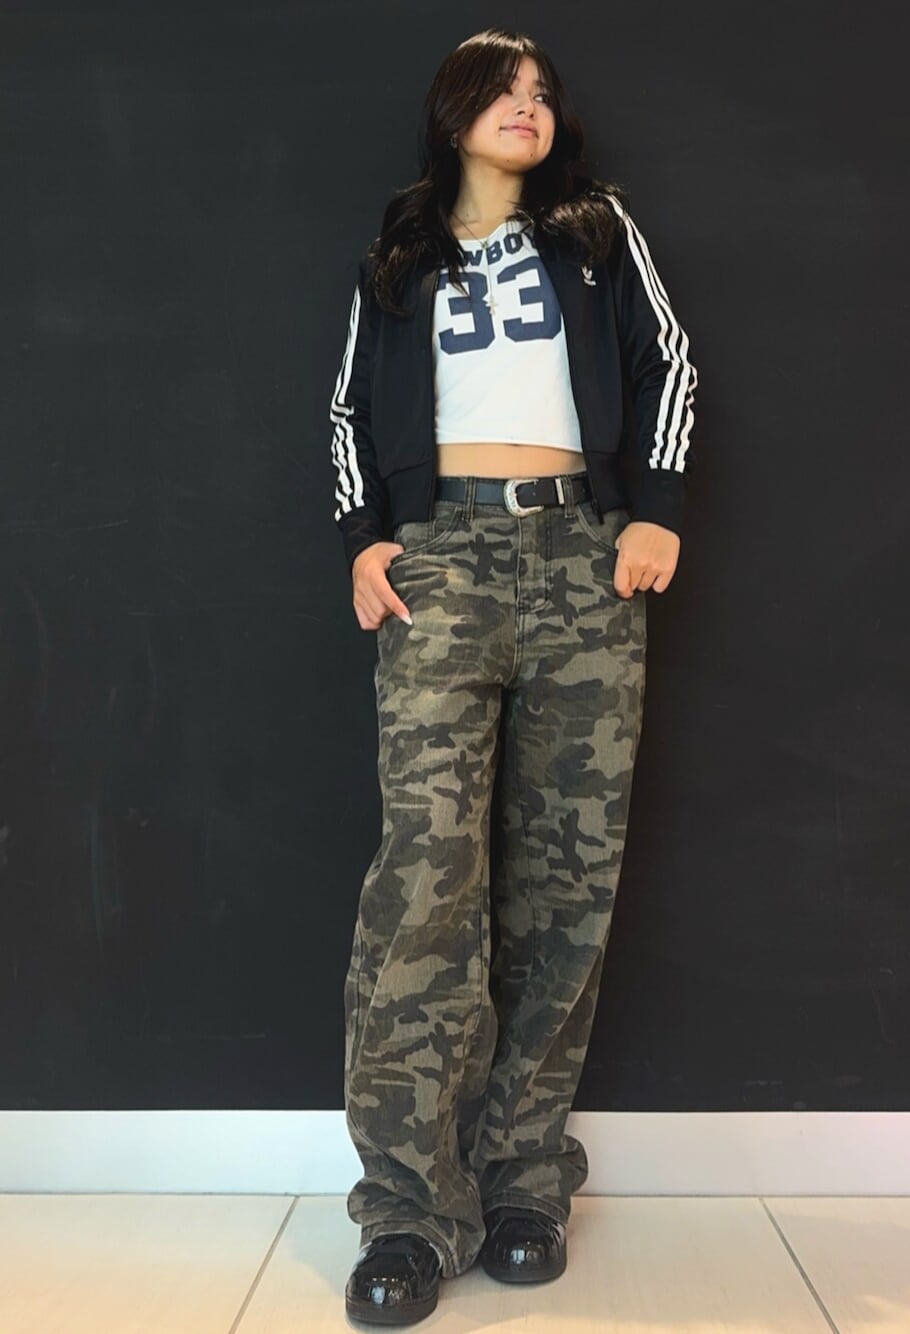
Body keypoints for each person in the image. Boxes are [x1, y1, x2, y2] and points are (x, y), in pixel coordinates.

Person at [330, 26, 698, 1326]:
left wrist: (654, 510)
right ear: (454, 114)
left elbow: (669, 362)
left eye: (542, 92)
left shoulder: (598, 230)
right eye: (502, 90)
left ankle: (524, 1180)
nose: (527, 106)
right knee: (426, 877)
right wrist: (366, 534)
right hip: (442, 564)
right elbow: (347, 405)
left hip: (584, 563)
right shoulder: (400, 248)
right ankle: (408, 1207)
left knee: (565, 882)